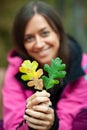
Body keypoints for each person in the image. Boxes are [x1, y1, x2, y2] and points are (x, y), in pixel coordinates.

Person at [2, 0, 87, 130]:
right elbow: (12, 124)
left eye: (45, 33)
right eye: (29, 38)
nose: (39, 44)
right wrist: (31, 122)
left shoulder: (82, 66)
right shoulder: (15, 70)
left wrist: (53, 124)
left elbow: (71, 120)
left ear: (58, 33)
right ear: (22, 44)